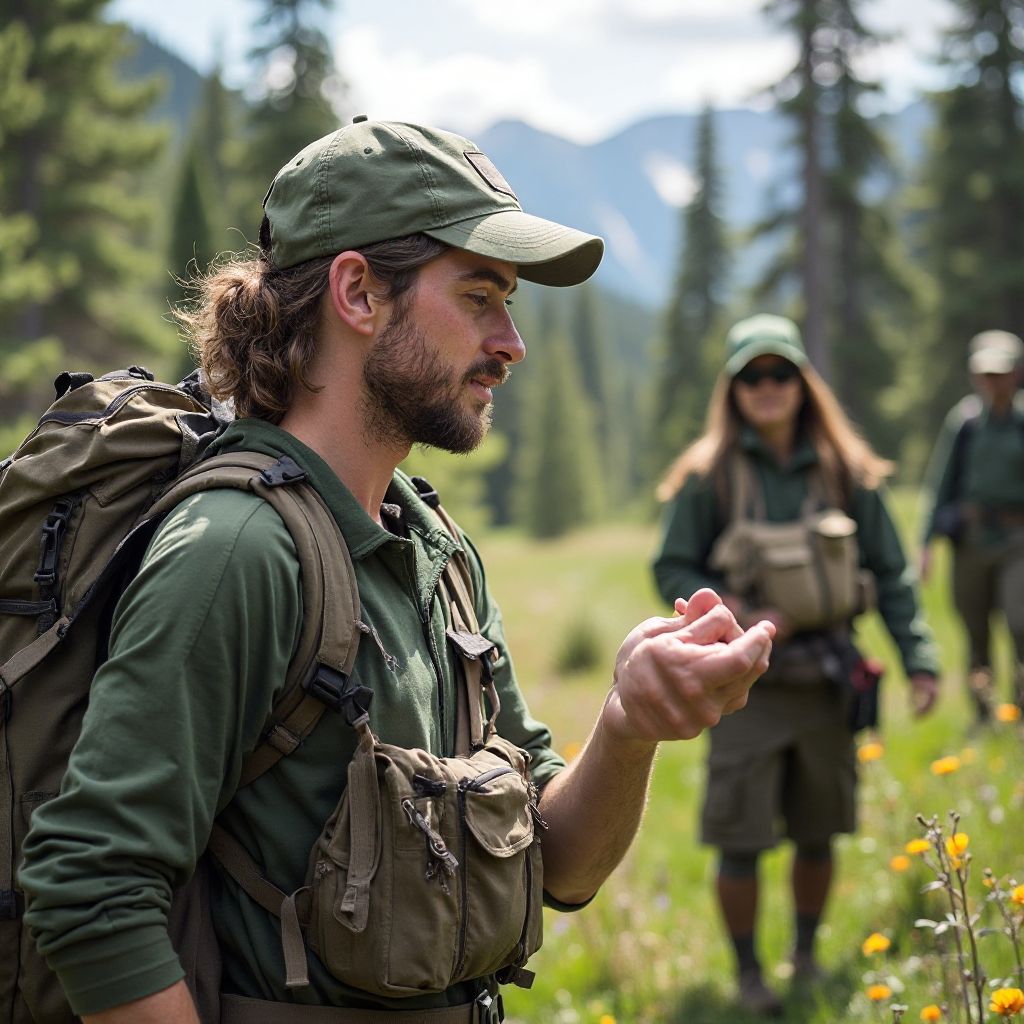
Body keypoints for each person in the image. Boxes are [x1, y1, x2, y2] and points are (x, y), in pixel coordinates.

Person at [18, 118, 776, 1024]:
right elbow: (92, 888)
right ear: (359, 293)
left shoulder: (434, 547)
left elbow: (558, 866)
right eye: (481, 296)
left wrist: (630, 723)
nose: (511, 343)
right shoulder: (235, 552)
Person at [652, 314, 939, 1015]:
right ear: (733, 388)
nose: (768, 388)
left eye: (781, 373)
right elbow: (673, 565)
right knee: (738, 837)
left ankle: (805, 958)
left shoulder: (849, 472)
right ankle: (750, 978)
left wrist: (920, 661)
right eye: (752, 376)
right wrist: (727, 611)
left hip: (828, 678)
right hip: (744, 684)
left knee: (819, 830)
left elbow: (892, 574)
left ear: (804, 383)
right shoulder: (706, 477)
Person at [919, 329, 1024, 723]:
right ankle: (983, 717)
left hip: (1018, 539)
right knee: (975, 631)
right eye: (985, 374)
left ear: (1016, 374)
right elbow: (940, 484)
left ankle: (1019, 713)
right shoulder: (964, 422)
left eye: (1000, 373)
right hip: (972, 541)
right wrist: (926, 543)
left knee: (1020, 621)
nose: (992, 383)